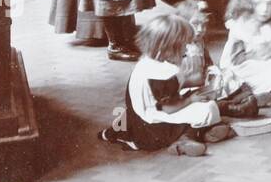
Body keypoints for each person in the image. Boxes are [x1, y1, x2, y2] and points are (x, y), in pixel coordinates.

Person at [98, 13, 229, 155]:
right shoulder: (161, 74)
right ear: (167, 49)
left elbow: (163, 91)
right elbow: (168, 108)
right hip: (151, 127)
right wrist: (191, 99)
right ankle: (187, 139)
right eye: (184, 46)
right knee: (206, 109)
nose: (186, 50)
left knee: (200, 101)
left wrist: (190, 83)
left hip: (141, 114)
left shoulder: (151, 63)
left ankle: (198, 134)